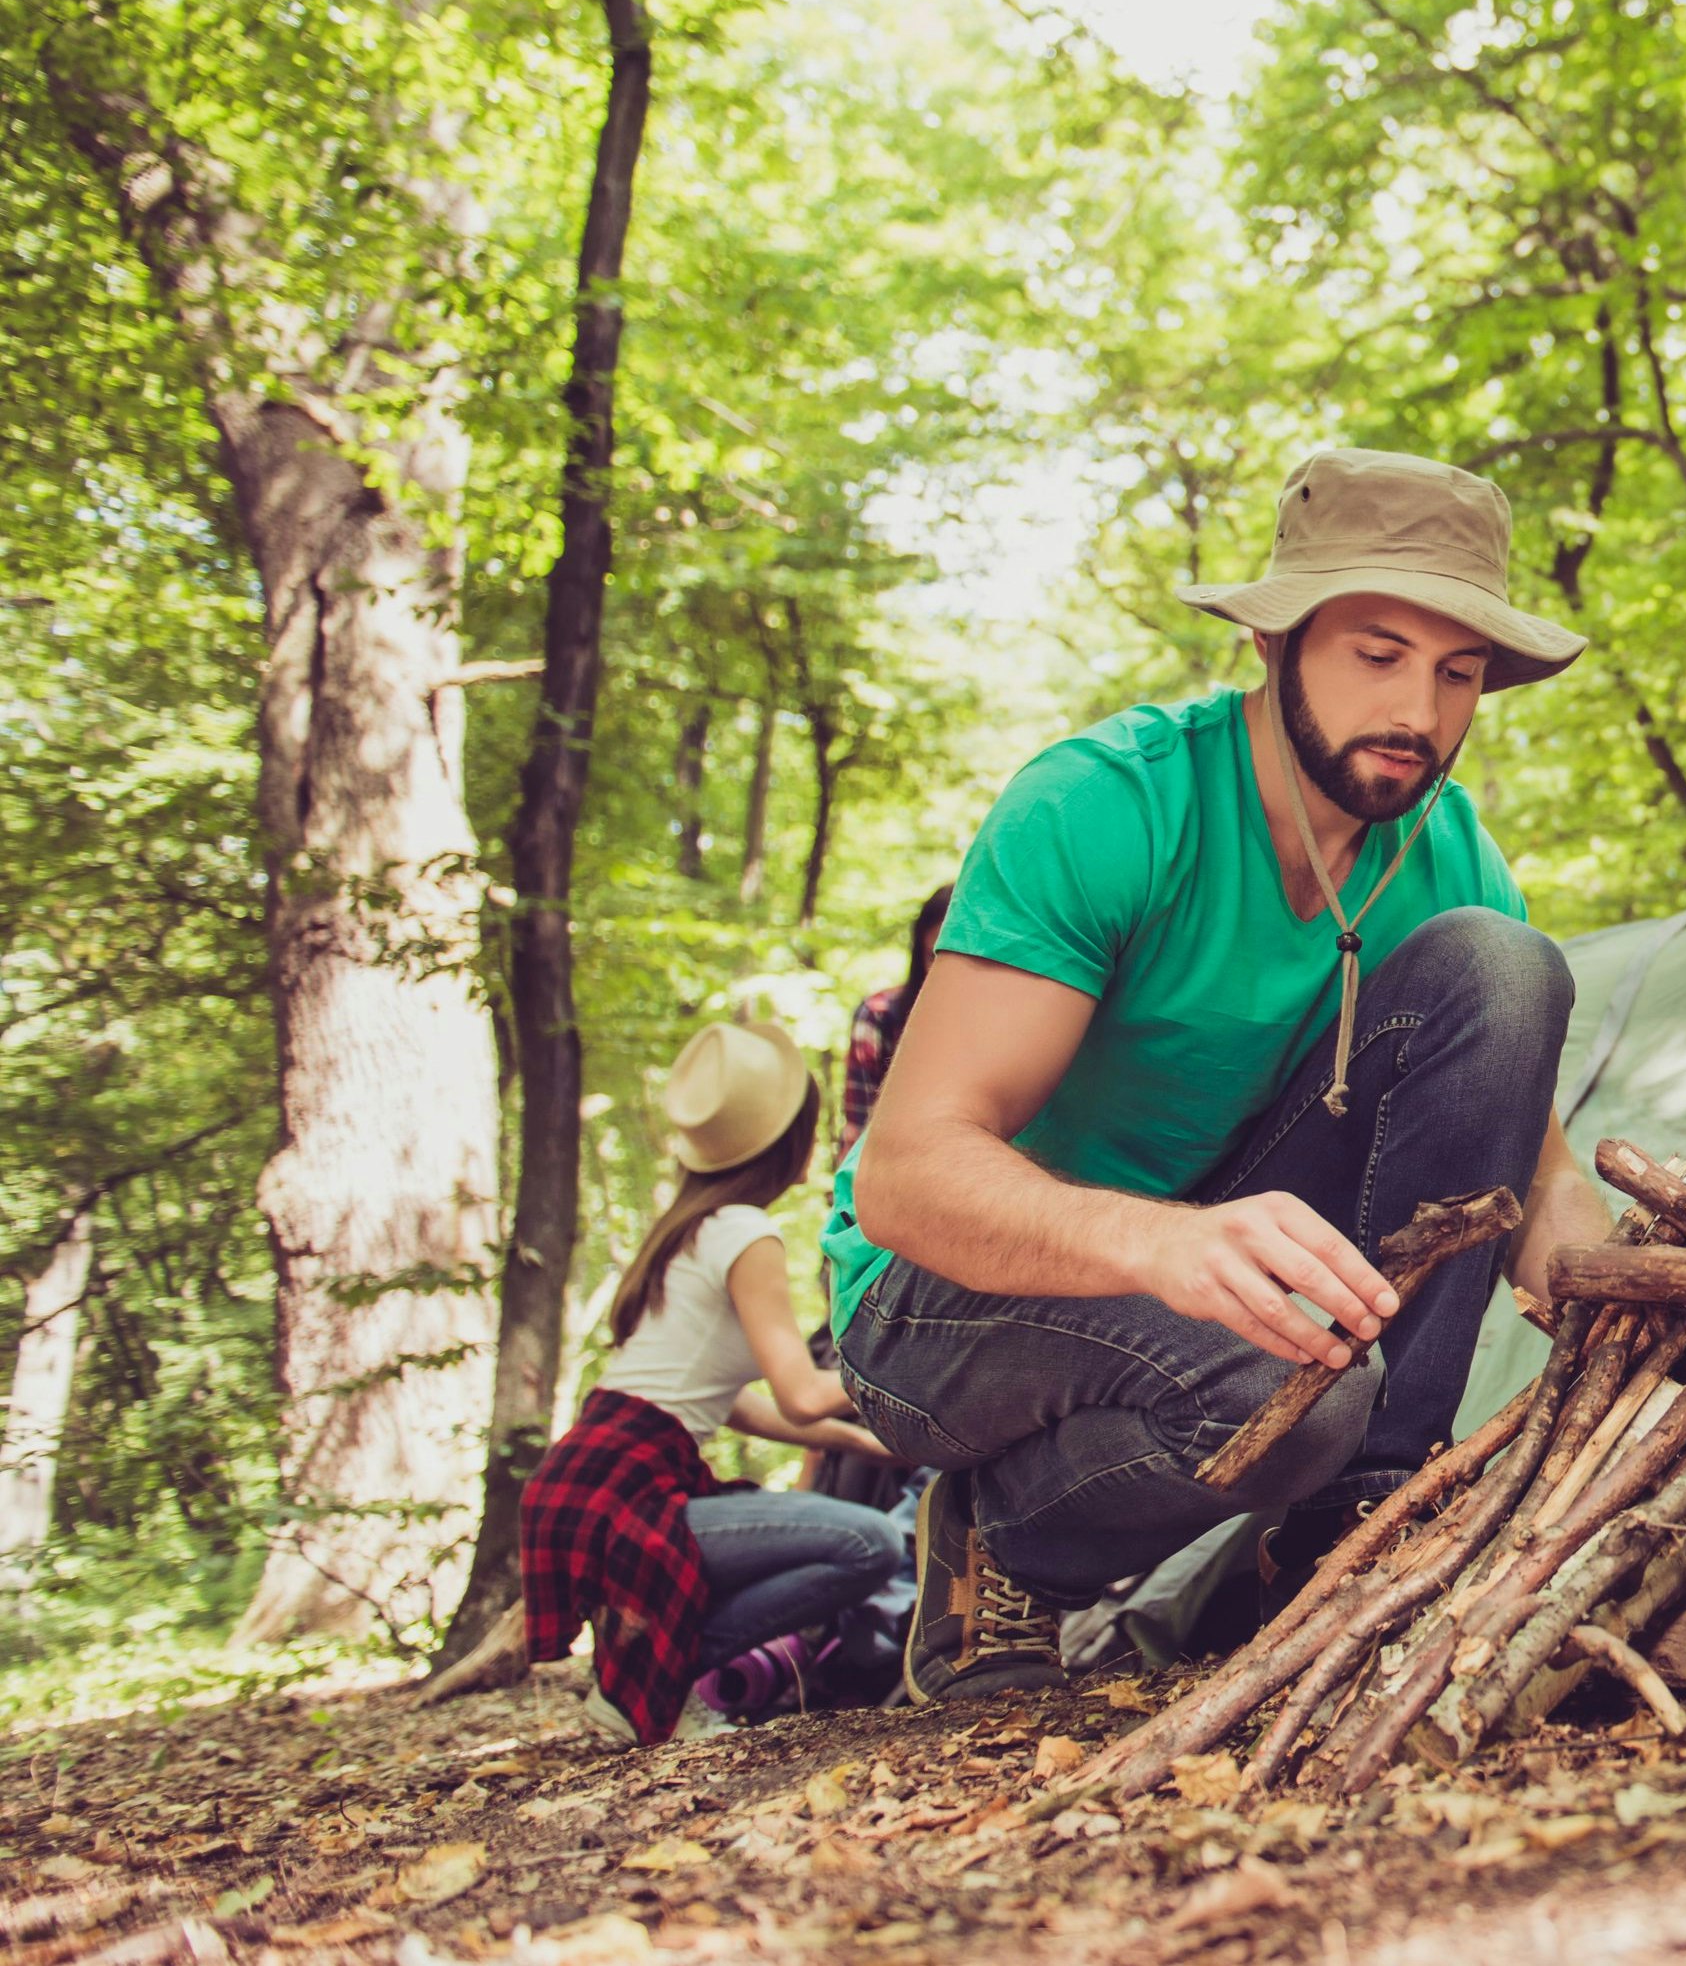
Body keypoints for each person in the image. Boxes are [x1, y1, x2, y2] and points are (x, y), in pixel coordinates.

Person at [836, 447, 1616, 1704]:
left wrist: (1649, 1310)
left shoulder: (1449, 851)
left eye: (1458, 673)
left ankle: (1358, 1535)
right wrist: (1160, 1249)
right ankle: (1000, 1534)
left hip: (1217, 1265)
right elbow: (909, 1179)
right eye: (1377, 655)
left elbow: (1530, 1171)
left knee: (1506, 966)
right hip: (939, 1302)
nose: (1418, 710)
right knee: (1291, 1391)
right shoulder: (1105, 807)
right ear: (1276, 643)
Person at [521, 1018, 899, 1743]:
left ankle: (644, 1670)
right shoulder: (745, 1232)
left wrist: (878, 1446)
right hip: (625, 1490)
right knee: (871, 1546)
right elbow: (802, 1391)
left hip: (583, 1483)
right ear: (790, 1140)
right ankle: (660, 1670)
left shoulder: (690, 1226)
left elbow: (738, 1407)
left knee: (844, 1535)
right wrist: (925, 1369)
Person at [836, 883, 957, 1168]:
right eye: (935, 956)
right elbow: (859, 1126)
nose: (946, 973)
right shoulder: (879, 1016)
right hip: (889, 1178)